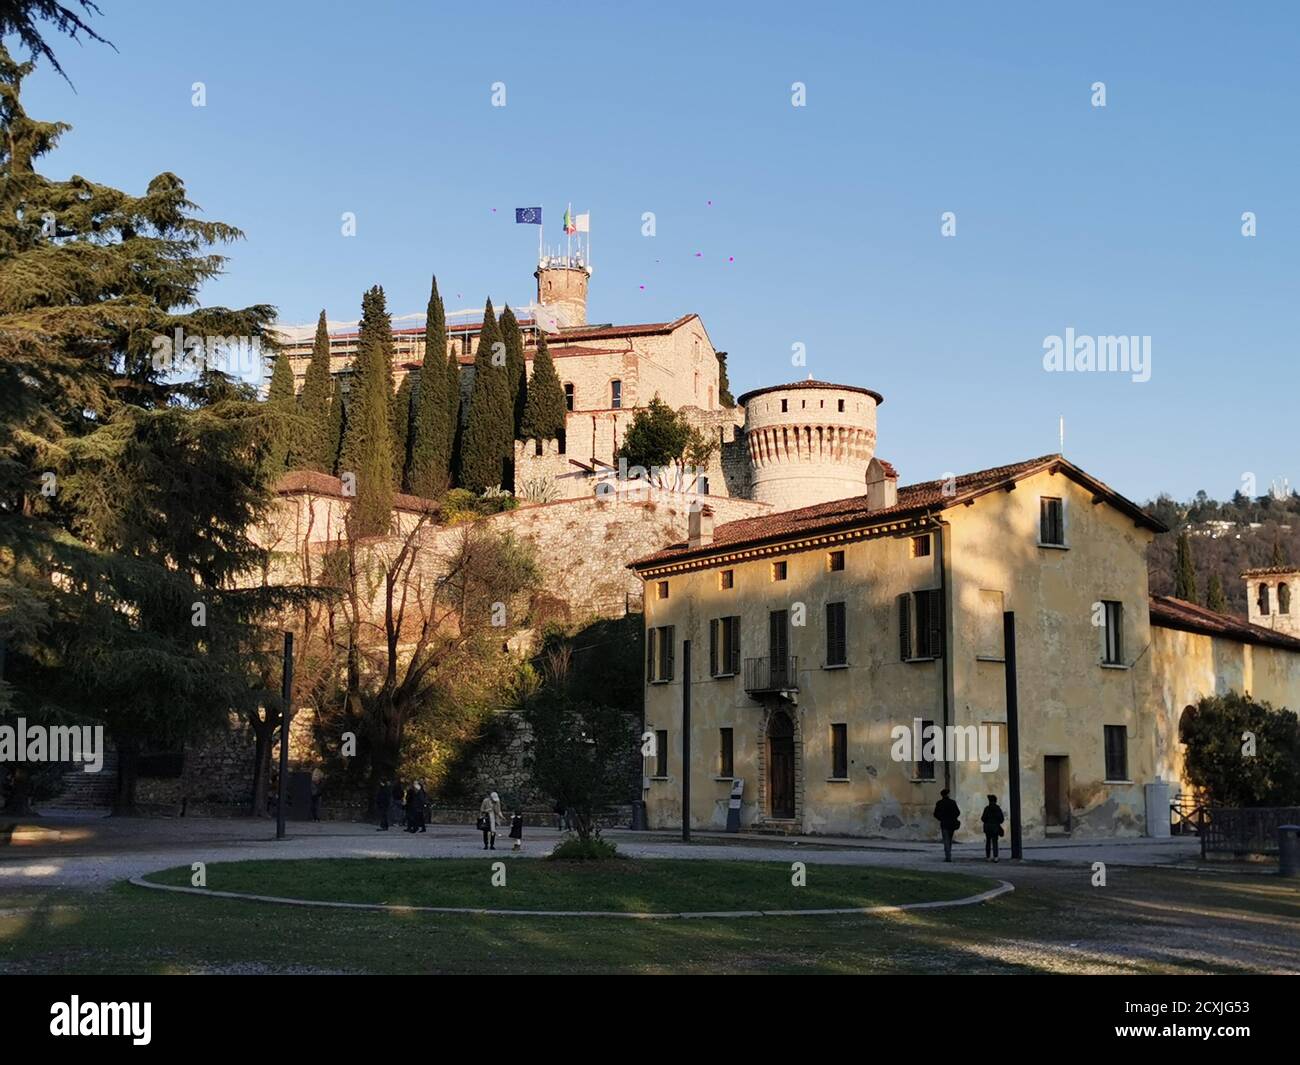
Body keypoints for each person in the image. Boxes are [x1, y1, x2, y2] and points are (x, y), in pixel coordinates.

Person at [933, 788, 961, 862]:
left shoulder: (939, 803)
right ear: (948, 794)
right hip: (952, 823)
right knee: (949, 839)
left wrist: (941, 818)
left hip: (944, 823)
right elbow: (958, 812)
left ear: (942, 795)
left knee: (946, 840)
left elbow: (935, 814)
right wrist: (953, 817)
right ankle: (949, 854)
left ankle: (948, 856)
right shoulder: (952, 802)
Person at [981, 794, 1005, 862]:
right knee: (995, 842)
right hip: (995, 827)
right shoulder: (998, 809)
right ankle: (995, 857)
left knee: (988, 842)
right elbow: (1001, 819)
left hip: (988, 827)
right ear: (995, 801)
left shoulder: (986, 808)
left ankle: (988, 857)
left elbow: (983, 818)